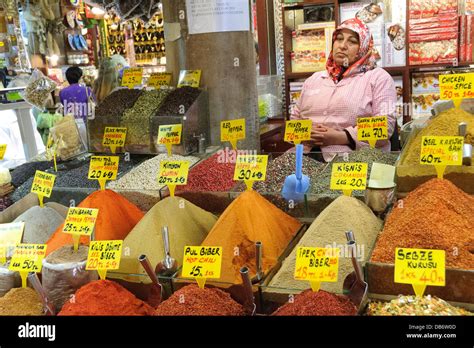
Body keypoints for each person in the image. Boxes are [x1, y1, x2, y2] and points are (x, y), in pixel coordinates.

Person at [291, 18, 397, 161]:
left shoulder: (378, 78)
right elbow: (292, 125)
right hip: (302, 158)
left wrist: (342, 137)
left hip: (352, 163)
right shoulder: (313, 80)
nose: (342, 46)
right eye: (339, 39)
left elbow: (385, 127)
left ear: (364, 46)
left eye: (352, 41)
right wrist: (304, 133)